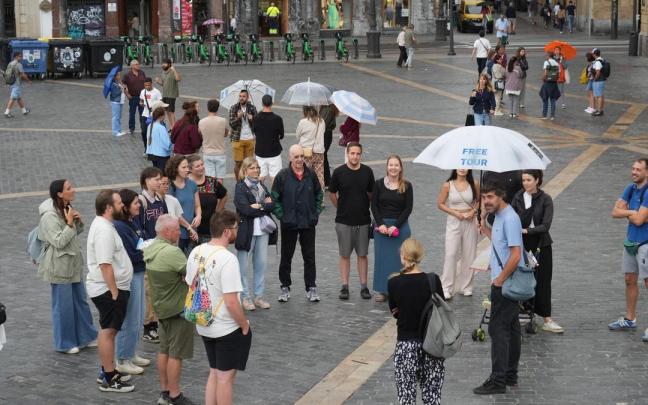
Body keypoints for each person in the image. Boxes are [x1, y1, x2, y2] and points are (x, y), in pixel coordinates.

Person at [186, 210, 251, 405]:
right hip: (225, 327)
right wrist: (244, 325)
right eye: (236, 228)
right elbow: (231, 301)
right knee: (225, 379)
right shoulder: (228, 259)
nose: (237, 231)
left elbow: (190, 283)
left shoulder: (196, 251)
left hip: (204, 322)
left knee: (214, 372)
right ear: (226, 232)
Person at [473, 183, 523, 395]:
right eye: (484, 197)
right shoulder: (500, 216)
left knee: (497, 330)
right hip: (504, 281)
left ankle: (498, 380)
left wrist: (500, 280)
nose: (486, 201)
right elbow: (499, 242)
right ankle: (510, 374)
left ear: (501, 196)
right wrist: (484, 226)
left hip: (505, 282)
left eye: (491, 197)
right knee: (511, 328)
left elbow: (515, 254)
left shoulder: (510, 218)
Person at [37, 179, 97, 354]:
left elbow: (74, 234)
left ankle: (86, 336)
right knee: (63, 306)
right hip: (59, 267)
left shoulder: (65, 208)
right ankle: (64, 343)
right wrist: (70, 224)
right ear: (59, 194)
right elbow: (58, 241)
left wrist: (77, 222)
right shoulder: (49, 216)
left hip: (73, 264)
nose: (73, 190)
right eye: (69, 188)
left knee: (80, 302)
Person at [144, 215, 197, 405]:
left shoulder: (151, 249)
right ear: (167, 232)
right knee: (176, 354)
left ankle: (165, 391)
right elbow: (193, 275)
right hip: (177, 308)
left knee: (164, 350)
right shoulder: (172, 253)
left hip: (161, 307)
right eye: (176, 229)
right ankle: (175, 395)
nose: (179, 232)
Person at [86, 190, 134, 393]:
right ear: (108, 208)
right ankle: (109, 377)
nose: (122, 205)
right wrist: (114, 291)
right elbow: (105, 265)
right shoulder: (104, 230)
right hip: (108, 290)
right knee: (108, 332)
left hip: (110, 288)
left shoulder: (105, 225)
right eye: (118, 202)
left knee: (110, 331)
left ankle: (109, 369)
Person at [388, 238, 446, 405]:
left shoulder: (393, 283)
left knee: (406, 397)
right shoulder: (433, 280)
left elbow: (395, 312)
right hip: (432, 345)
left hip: (406, 346)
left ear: (402, 256)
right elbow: (441, 309)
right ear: (420, 256)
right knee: (432, 397)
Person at [511, 170, 564, 333]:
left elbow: (545, 225)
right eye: (523, 180)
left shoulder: (545, 199)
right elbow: (511, 217)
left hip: (541, 243)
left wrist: (527, 231)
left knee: (542, 280)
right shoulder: (518, 197)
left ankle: (546, 318)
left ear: (537, 181)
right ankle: (523, 311)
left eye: (528, 180)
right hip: (522, 243)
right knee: (521, 277)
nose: (525, 183)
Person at [271, 144, 324, 303]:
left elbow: (319, 195)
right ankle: (285, 286)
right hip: (290, 224)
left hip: (308, 223)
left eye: (302, 156)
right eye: (296, 157)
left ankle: (311, 287)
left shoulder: (311, 174)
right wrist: (282, 215)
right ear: (290, 158)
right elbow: (274, 199)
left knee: (310, 257)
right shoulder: (282, 176)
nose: (300, 159)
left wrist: (315, 214)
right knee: (286, 256)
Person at [329, 143, 375, 300]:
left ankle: (364, 286)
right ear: (347, 154)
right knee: (344, 255)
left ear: (361, 154)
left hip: (363, 220)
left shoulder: (367, 172)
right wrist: (340, 207)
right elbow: (332, 193)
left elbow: (370, 194)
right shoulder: (339, 172)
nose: (355, 156)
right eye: (352, 153)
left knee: (362, 254)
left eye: (358, 153)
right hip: (343, 221)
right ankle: (345, 286)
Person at [609, 158, 648, 343]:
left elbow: (640, 221)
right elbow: (614, 212)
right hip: (631, 241)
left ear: (646, 172)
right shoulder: (630, 188)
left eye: (638, 169)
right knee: (629, 280)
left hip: (645, 243)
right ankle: (630, 319)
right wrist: (634, 212)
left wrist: (628, 212)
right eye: (633, 168)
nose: (633, 172)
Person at [113, 189, 151, 375]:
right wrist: (147, 251)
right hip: (132, 274)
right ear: (126, 206)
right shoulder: (119, 227)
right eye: (136, 202)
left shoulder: (132, 221)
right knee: (130, 318)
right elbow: (132, 253)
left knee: (139, 315)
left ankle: (131, 352)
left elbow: (141, 240)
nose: (139, 205)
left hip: (139, 271)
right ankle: (122, 358)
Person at [234, 157, 276, 311]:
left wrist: (259, 206)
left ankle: (258, 296)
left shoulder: (262, 186)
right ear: (245, 170)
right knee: (243, 266)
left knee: (261, 264)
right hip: (247, 231)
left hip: (262, 231)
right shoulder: (240, 188)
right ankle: (245, 297)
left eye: (257, 167)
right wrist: (263, 205)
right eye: (252, 168)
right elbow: (244, 209)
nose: (256, 170)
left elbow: (272, 204)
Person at [371, 155, 413, 302]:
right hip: (382, 228)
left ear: (400, 167)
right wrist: (380, 224)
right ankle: (383, 290)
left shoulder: (407, 185)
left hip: (400, 226)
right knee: (382, 260)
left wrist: (396, 226)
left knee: (400, 260)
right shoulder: (378, 184)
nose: (393, 168)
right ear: (387, 166)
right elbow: (374, 206)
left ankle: (399, 291)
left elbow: (408, 209)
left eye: (396, 165)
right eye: (391, 165)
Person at [437, 169, 479, 298]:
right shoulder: (447, 185)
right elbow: (440, 203)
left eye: (465, 166)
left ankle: (466, 286)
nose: (462, 168)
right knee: (451, 253)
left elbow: (478, 201)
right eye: (460, 165)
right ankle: (446, 287)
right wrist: (455, 213)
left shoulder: (475, 183)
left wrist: (473, 212)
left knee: (469, 254)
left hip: (470, 220)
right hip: (454, 220)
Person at [138, 167, 169, 343]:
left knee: (158, 289)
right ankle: (148, 326)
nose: (159, 182)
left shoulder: (159, 199)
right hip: (149, 252)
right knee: (150, 290)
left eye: (160, 179)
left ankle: (155, 322)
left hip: (160, 249)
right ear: (146, 181)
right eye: (156, 179)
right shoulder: (141, 201)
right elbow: (139, 228)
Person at [188, 154, 228, 243]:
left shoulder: (211, 181)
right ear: (190, 169)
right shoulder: (186, 184)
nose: (201, 167)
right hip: (191, 230)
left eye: (202, 164)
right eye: (197, 166)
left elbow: (224, 195)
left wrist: (218, 210)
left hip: (210, 229)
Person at [166, 155, 201, 253]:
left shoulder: (192, 184)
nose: (187, 170)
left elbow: (197, 205)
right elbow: (174, 213)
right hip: (179, 233)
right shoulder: (169, 187)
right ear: (175, 169)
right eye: (184, 167)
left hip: (193, 230)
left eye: (188, 167)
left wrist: (198, 215)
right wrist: (189, 227)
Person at [252, 95, 284, 186]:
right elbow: (281, 135)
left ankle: (258, 196)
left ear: (262, 103)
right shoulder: (277, 119)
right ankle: (275, 198)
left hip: (260, 152)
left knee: (260, 176)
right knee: (275, 178)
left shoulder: (256, 118)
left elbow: (254, 131)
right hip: (274, 152)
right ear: (272, 103)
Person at [229, 90, 258, 181]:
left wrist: (252, 118)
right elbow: (231, 124)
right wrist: (238, 117)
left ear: (247, 97)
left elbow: (258, 123)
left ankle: (248, 182)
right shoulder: (233, 108)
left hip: (250, 139)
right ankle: (239, 183)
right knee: (238, 163)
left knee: (249, 164)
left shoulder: (252, 108)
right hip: (238, 139)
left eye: (243, 96)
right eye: (240, 96)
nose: (241, 98)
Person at [199, 99, 230, 182]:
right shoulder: (223, 121)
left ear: (207, 108)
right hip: (220, 152)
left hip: (207, 152)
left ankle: (211, 194)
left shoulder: (202, 122)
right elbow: (226, 134)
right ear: (218, 108)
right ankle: (219, 194)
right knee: (220, 177)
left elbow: (201, 135)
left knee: (209, 178)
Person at [296, 106, 326, 189]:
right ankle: (320, 199)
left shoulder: (303, 122)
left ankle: (305, 194)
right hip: (319, 152)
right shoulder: (322, 121)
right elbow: (323, 132)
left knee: (304, 174)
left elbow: (297, 135)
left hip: (306, 152)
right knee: (319, 175)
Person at [122, 59, 147, 136]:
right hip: (133, 97)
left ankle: (143, 128)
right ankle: (131, 128)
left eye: (138, 64)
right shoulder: (127, 75)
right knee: (132, 113)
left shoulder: (142, 73)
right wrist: (127, 94)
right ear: (132, 66)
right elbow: (124, 86)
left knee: (142, 113)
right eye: (136, 64)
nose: (138, 65)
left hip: (142, 97)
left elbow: (146, 83)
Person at [139, 77, 163, 154]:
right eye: (145, 85)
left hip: (154, 115)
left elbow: (160, 103)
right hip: (145, 114)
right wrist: (141, 103)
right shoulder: (143, 92)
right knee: (143, 131)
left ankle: (153, 148)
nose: (147, 87)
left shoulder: (157, 92)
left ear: (151, 84)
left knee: (153, 132)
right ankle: (146, 148)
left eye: (149, 85)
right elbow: (141, 100)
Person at [155, 59, 181, 127]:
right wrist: (158, 82)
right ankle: (171, 126)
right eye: (162, 63)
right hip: (165, 95)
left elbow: (178, 79)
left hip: (171, 95)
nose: (163, 65)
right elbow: (164, 84)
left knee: (171, 112)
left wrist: (174, 70)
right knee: (167, 112)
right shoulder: (163, 73)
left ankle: (174, 127)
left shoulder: (173, 72)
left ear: (169, 64)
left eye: (165, 63)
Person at [4, 51, 31, 118]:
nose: (21, 57)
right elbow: (22, 75)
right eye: (20, 56)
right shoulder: (18, 64)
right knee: (13, 98)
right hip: (16, 83)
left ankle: (24, 111)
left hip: (11, 82)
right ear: (16, 57)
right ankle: (7, 112)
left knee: (18, 97)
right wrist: (28, 81)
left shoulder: (10, 63)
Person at [146, 106, 173, 170]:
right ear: (161, 116)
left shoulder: (150, 125)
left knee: (156, 171)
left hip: (152, 153)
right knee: (162, 173)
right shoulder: (161, 127)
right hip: (161, 155)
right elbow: (166, 143)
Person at [319, 104, 339, 188]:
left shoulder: (328, 109)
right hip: (325, 134)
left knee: (323, 156)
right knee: (324, 156)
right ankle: (327, 180)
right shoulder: (325, 107)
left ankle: (327, 180)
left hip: (325, 135)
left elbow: (323, 123)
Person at [539, 52, 561, 120]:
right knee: (553, 100)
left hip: (547, 83)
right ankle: (552, 116)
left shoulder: (546, 62)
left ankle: (544, 115)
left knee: (545, 99)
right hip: (554, 83)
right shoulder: (557, 63)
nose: (545, 56)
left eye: (546, 55)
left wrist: (542, 78)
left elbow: (545, 73)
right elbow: (558, 74)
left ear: (549, 56)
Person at [108, 70, 127, 137]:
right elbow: (115, 94)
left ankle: (119, 130)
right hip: (115, 102)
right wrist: (121, 90)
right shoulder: (112, 84)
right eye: (118, 75)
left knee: (119, 116)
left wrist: (122, 87)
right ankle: (115, 131)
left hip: (120, 101)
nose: (120, 76)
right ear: (115, 76)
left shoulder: (118, 83)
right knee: (115, 117)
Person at [591, 48, 606, 117]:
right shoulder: (602, 60)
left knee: (598, 96)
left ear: (594, 54)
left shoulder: (597, 62)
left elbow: (598, 72)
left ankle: (599, 110)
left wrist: (595, 79)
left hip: (598, 80)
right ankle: (601, 109)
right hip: (602, 80)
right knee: (601, 95)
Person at [492, 52, 507, 116]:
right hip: (499, 83)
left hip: (493, 82)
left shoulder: (493, 65)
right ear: (497, 60)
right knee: (498, 97)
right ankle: (497, 111)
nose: (501, 60)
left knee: (495, 97)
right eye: (500, 59)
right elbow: (504, 73)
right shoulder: (500, 66)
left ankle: (496, 109)